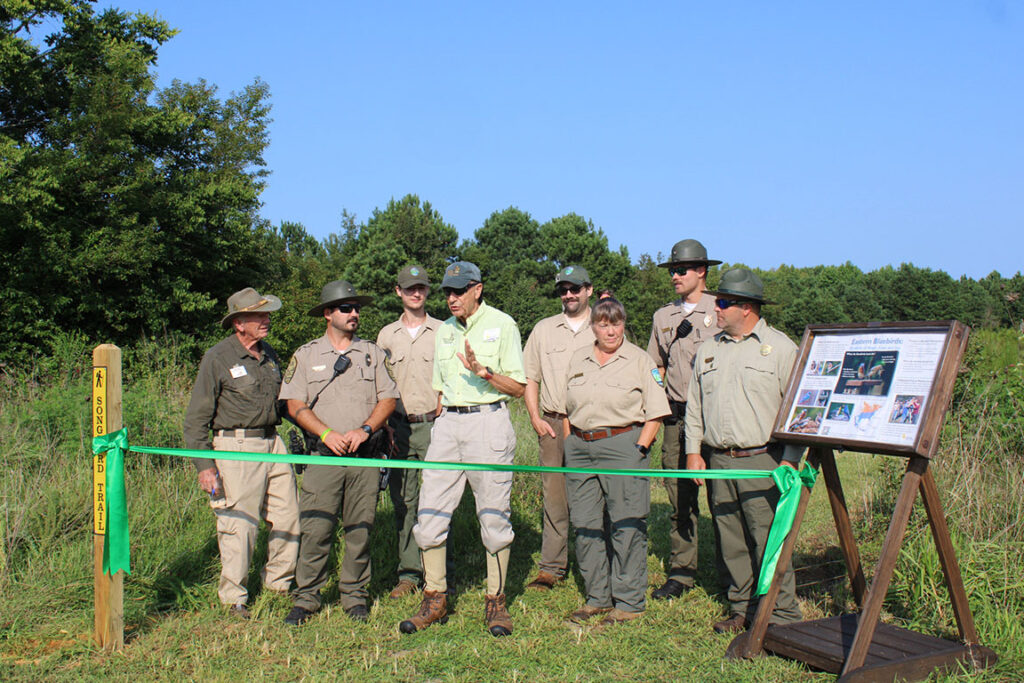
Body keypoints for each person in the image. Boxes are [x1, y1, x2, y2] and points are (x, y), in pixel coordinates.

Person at [400, 261, 526, 637]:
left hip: (488, 423)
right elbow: (440, 391)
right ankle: (434, 597)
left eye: (458, 291)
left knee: (493, 516)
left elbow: (518, 388)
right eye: (447, 293)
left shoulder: (503, 325)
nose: (451, 299)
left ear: (478, 289)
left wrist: (485, 372)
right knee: (430, 512)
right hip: (448, 425)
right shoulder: (444, 333)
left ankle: (496, 602)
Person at [684, 267, 804, 634]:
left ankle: (780, 616)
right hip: (720, 461)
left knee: (768, 538)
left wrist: (789, 459)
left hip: (764, 460)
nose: (715, 309)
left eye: (723, 302)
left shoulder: (782, 349)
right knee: (730, 537)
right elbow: (694, 405)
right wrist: (694, 452)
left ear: (747, 308)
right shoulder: (708, 348)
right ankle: (741, 608)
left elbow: (799, 410)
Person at [279, 280, 399, 625]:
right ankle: (307, 598)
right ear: (328, 314)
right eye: (346, 308)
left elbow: (388, 399)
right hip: (322, 457)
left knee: (360, 530)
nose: (354, 313)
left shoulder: (373, 354)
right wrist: (326, 433)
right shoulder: (305, 355)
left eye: (357, 308)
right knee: (316, 529)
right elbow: (294, 403)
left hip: (363, 457)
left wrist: (365, 430)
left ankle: (355, 596)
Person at [183, 287, 300, 619]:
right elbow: (196, 420)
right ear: (239, 323)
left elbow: (284, 403)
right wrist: (205, 466)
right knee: (239, 524)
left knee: (289, 516)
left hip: (273, 442)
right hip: (235, 447)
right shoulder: (217, 358)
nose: (266, 320)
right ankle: (234, 598)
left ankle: (278, 586)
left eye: (266, 314)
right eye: (258, 315)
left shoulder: (270, 354)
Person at [563, 298, 671, 627]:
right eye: (604, 324)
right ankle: (597, 597)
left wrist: (640, 446)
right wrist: (570, 441)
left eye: (617, 322)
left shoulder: (640, 359)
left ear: (624, 323)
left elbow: (656, 411)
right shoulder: (577, 358)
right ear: (593, 326)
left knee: (626, 525)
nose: (611, 330)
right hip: (580, 448)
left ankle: (628, 601)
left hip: (624, 445)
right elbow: (565, 407)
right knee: (586, 526)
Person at [646, 238, 721, 599]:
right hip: (677, 419)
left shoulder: (721, 310)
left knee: (724, 498)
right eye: (672, 270)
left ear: (702, 271)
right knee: (679, 499)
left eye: (681, 270)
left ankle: (732, 572)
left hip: (716, 421)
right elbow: (656, 363)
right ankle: (682, 571)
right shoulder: (664, 316)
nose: (674, 276)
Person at [521, 265, 595, 590]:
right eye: (563, 289)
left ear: (588, 290)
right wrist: (535, 418)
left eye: (574, 288)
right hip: (552, 422)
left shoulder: (604, 325)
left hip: (592, 426)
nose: (568, 294)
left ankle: (595, 566)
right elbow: (529, 377)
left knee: (593, 496)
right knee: (554, 495)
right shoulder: (543, 329)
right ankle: (551, 567)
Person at [376, 265, 442, 599]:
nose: (416, 293)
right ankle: (408, 573)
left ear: (428, 292)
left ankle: (439, 573)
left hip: (435, 425)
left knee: (439, 502)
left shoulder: (445, 331)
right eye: (409, 288)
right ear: (398, 292)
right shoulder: (386, 336)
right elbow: (379, 385)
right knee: (403, 501)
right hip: (397, 428)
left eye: (421, 288)